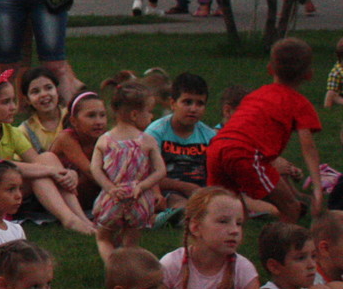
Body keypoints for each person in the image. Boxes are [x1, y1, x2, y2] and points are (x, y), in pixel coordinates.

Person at [208, 36, 326, 224]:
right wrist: (318, 190)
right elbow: (308, 148)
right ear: (309, 74)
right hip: (243, 153)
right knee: (291, 208)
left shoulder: (256, 95)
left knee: (229, 213)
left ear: (270, 69)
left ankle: (218, 250)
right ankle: (283, 250)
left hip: (216, 148)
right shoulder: (300, 103)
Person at [0, 70, 95, 233]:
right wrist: (53, 170)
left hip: (5, 187)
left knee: (47, 157)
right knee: (40, 171)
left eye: (13, 101)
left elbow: (37, 160)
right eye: (5, 102)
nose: (13, 107)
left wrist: (63, 172)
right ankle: (69, 219)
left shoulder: (11, 131)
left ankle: (80, 217)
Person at [159, 187, 267, 289]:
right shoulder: (171, 264)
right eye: (223, 221)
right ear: (195, 227)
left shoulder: (243, 268)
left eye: (239, 223)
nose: (234, 230)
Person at [90, 80, 165, 261]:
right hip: (138, 201)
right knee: (131, 243)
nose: (152, 116)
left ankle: (112, 268)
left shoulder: (104, 140)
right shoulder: (147, 141)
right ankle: (128, 270)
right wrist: (142, 186)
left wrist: (110, 188)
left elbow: (95, 169)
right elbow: (160, 170)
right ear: (134, 114)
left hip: (113, 199)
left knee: (103, 238)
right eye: (149, 111)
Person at [152, 71, 216, 210]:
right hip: (165, 191)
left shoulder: (209, 136)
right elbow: (147, 174)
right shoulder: (156, 133)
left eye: (200, 104)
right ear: (173, 103)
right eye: (187, 102)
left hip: (201, 191)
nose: (193, 109)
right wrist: (185, 187)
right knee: (180, 204)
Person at [16, 65, 66, 154]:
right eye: (35, 91)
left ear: (57, 90)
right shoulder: (24, 131)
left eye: (49, 88)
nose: (43, 94)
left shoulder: (72, 115)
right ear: (27, 100)